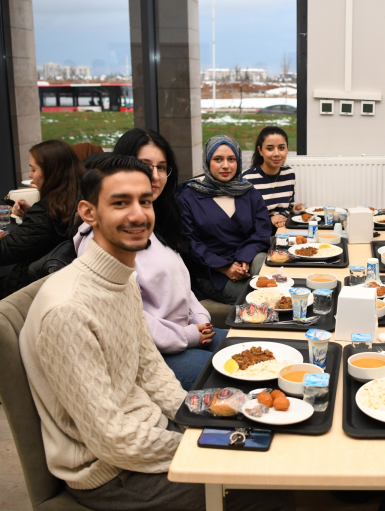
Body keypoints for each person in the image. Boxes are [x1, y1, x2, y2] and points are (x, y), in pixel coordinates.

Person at [20, 155, 292, 511]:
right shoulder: (68, 310)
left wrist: (195, 418)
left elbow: (151, 370)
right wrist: (202, 444)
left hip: (152, 432)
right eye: (120, 203)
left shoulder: (121, 279)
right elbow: (111, 439)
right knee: (269, 489)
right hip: (112, 472)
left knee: (268, 435)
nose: (138, 215)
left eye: (145, 201)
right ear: (88, 213)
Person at [73, 129, 227, 390]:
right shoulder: (101, 239)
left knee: (250, 350)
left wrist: (200, 319)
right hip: (147, 355)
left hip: (183, 334)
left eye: (162, 167)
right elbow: (127, 319)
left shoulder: (154, 222)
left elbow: (180, 283)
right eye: (145, 166)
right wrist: (187, 336)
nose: (155, 176)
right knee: (234, 374)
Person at [178, 134, 271, 305]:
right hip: (213, 272)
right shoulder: (189, 197)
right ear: (207, 161)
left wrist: (245, 258)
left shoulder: (249, 192)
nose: (226, 166)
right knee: (262, 298)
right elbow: (190, 243)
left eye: (231, 159)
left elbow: (262, 230)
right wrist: (225, 267)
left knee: (275, 284)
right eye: (218, 159)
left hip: (248, 261)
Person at [0, 140, 84, 297]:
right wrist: (30, 215)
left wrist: (35, 216)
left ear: (51, 173)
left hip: (30, 288)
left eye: (33, 169)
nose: (30, 176)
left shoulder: (46, 212)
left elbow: (4, 251)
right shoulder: (82, 195)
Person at [242, 126, 295, 231]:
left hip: (282, 229)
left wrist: (281, 217)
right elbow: (244, 218)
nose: (276, 154)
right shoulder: (247, 178)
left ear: (287, 149)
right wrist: (270, 221)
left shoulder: (289, 174)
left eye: (281, 148)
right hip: (258, 232)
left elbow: (289, 206)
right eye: (270, 148)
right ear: (260, 150)